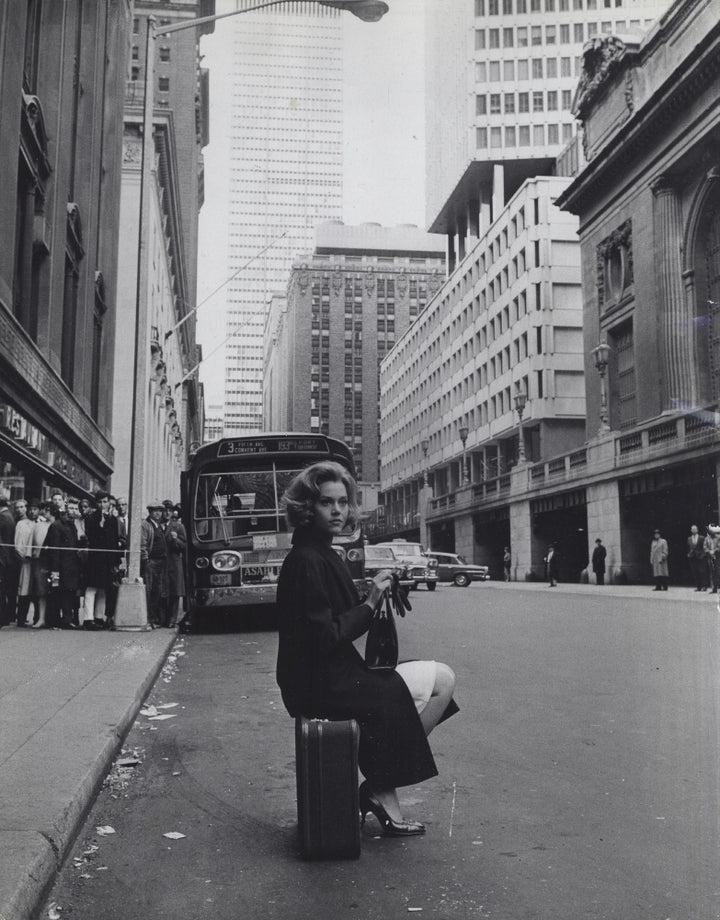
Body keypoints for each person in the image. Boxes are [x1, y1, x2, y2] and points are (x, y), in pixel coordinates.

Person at [276, 461, 457, 838]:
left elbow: (332, 615)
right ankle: (379, 787)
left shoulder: (320, 552)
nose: (338, 511)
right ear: (308, 508)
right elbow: (324, 636)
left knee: (430, 684)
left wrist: (372, 591)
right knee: (441, 682)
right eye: (327, 503)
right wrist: (371, 602)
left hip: (331, 677)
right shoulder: (309, 559)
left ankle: (381, 785)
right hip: (323, 684)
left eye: (344, 502)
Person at [83, 490, 121, 629]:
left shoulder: (112, 520)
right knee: (91, 588)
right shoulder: (90, 518)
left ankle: (99, 617)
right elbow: (92, 537)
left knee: (103, 589)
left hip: (107, 560)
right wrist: (101, 523)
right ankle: (88, 619)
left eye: (105, 502)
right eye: (100, 502)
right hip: (94, 559)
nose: (102, 505)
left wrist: (116, 562)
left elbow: (114, 540)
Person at [140, 500, 168, 628]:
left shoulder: (159, 526)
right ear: (150, 512)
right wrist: (145, 559)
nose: (158, 513)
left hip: (161, 561)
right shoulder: (146, 525)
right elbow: (143, 543)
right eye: (155, 511)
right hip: (151, 561)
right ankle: (148, 619)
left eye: (159, 511)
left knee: (157, 591)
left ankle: (153, 618)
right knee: (149, 590)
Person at [164, 501, 187, 628]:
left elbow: (183, 545)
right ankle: (163, 619)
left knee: (174, 592)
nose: (167, 513)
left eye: (169, 510)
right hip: (163, 563)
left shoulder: (178, 527)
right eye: (165, 510)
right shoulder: (160, 526)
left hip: (174, 562)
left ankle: (172, 620)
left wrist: (175, 539)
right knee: (164, 592)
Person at [13, 499, 35, 626]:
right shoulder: (21, 524)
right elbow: (18, 544)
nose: (20, 509)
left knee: (30, 588)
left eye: (22, 507)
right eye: (17, 507)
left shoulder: (34, 523)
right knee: (24, 589)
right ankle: (21, 618)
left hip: (33, 560)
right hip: (24, 560)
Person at [687, 524, 707, 591]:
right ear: (691, 530)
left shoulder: (702, 538)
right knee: (695, 572)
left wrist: (703, 555)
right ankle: (698, 587)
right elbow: (688, 548)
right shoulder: (689, 539)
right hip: (693, 557)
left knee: (702, 572)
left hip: (701, 557)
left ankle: (704, 586)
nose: (694, 530)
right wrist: (689, 554)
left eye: (695, 529)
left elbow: (704, 547)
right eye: (692, 529)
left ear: (697, 530)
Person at [704, 524, 720, 594]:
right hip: (710, 557)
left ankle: (717, 586)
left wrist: (715, 550)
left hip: (717, 556)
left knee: (717, 572)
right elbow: (705, 547)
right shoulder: (706, 539)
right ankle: (714, 588)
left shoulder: (718, 537)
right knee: (712, 572)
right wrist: (709, 551)